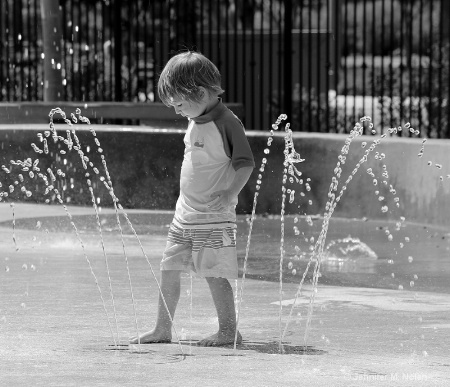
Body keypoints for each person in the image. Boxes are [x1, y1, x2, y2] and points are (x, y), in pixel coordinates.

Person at [130, 51, 254, 347]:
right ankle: (162, 328)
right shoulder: (195, 116)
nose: (177, 111)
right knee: (169, 268)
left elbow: (246, 163)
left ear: (199, 93)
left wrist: (230, 193)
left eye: (180, 104)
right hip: (185, 213)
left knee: (214, 273)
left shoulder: (227, 123)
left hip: (213, 214)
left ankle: (228, 330)